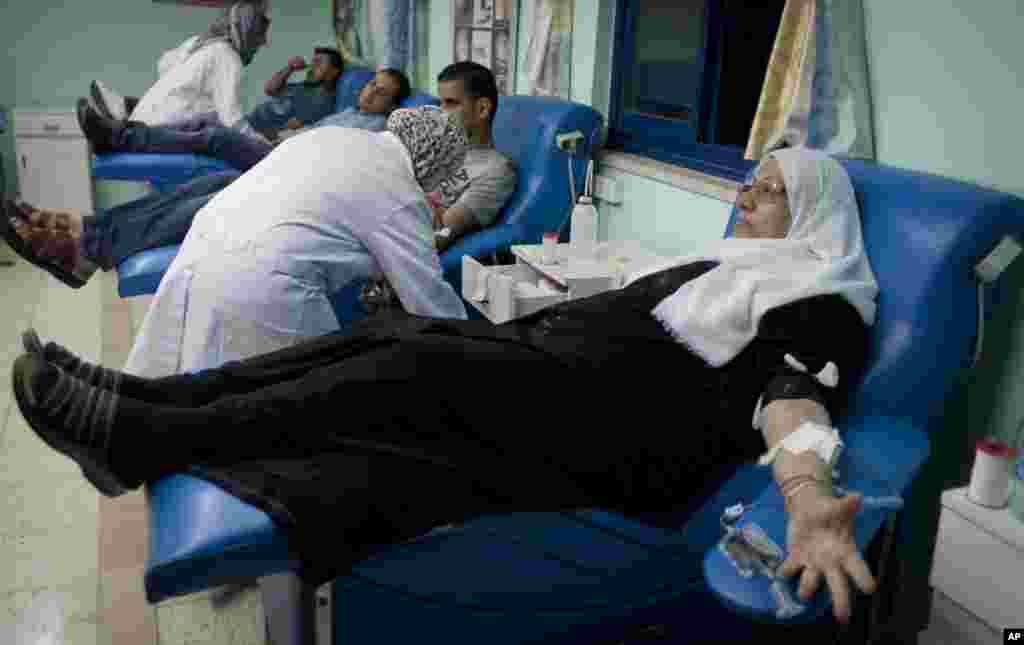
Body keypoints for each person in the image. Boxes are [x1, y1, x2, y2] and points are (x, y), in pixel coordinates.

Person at [11, 147, 881, 625]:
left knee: (408, 361)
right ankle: (141, 408)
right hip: (565, 378)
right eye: (751, 180)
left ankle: (147, 431)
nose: (744, 196)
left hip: (620, 431)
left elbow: (792, 394)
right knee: (391, 340)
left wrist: (806, 494)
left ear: (814, 216)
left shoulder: (823, 299)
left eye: (768, 190)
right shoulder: (733, 263)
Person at [77, 68, 411, 172]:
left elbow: (333, 156)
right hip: (282, 148)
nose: (369, 93)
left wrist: (290, 140)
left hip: (291, 165)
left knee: (215, 137)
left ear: (392, 105)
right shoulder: (351, 112)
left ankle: (119, 138)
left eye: (380, 92)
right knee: (204, 121)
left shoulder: (377, 131)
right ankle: (123, 127)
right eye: (370, 84)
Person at [91, 47, 346, 144]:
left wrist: (258, 136)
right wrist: (290, 68)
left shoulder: (321, 102)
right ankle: (130, 107)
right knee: (195, 101)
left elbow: (292, 132)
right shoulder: (302, 87)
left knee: (200, 117)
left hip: (257, 135)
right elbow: (270, 89)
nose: (313, 67)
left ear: (334, 71)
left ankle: (126, 126)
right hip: (247, 124)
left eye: (320, 64)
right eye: (313, 62)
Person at [115, 0, 271, 141]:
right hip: (161, 130)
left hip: (143, 119)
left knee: (209, 114)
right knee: (219, 128)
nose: (261, 44)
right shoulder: (227, 56)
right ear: (246, 33)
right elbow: (231, 118)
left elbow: (163, 65)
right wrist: (256, 140)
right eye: (258, 37)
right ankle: (123, 109)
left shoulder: (197, 44)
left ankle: (125, 108)